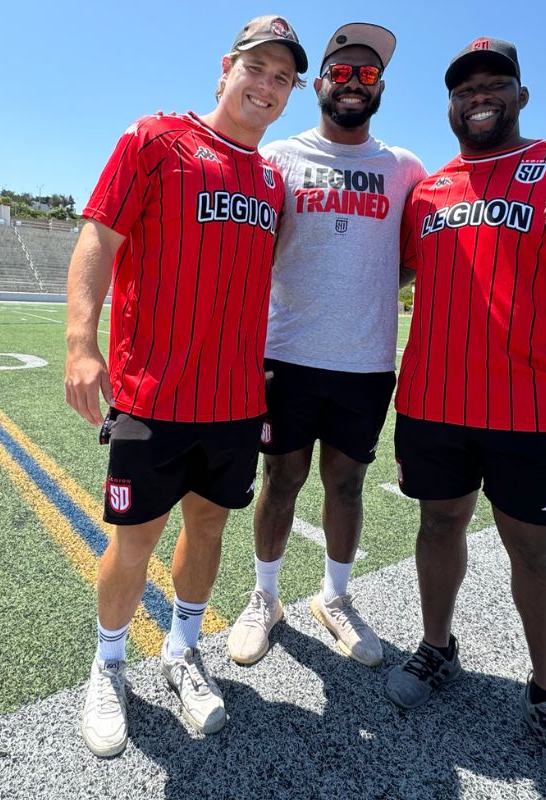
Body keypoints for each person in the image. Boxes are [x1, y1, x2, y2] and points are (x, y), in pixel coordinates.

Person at [383, 38, 546, 800]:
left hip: (534, 408)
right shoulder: (428, 191)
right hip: (433, 403)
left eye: (496, 83)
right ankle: (438, 648)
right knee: (438, 526)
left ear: (521, 95)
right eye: (466, 88)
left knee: (537, 557)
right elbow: (384, 270)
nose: (480, 95)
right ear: (451, 104)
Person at [64, 15, 307, 758]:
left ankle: (181, 651)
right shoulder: (155, 140)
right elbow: (98, 237)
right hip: (151, 397)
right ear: (225, 68)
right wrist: (81, 342)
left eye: (282, 77)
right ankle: (108, 667)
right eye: (256, 68)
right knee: (133, 539)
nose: (265, 86)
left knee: (209, 529)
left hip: (235, 402)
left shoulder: (271, 180)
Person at [225, 23, 425, 668]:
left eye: (367, 75)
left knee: (347, 486)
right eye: (341, 72)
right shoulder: (278, 157)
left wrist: (359, 285)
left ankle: (334, 597)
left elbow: (407, 260)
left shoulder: (404, 168)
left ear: (382, 88)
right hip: (285, 354)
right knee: (280, 480)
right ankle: (265, 596)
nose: (352, 84)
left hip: (365, 362)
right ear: (319, 82)